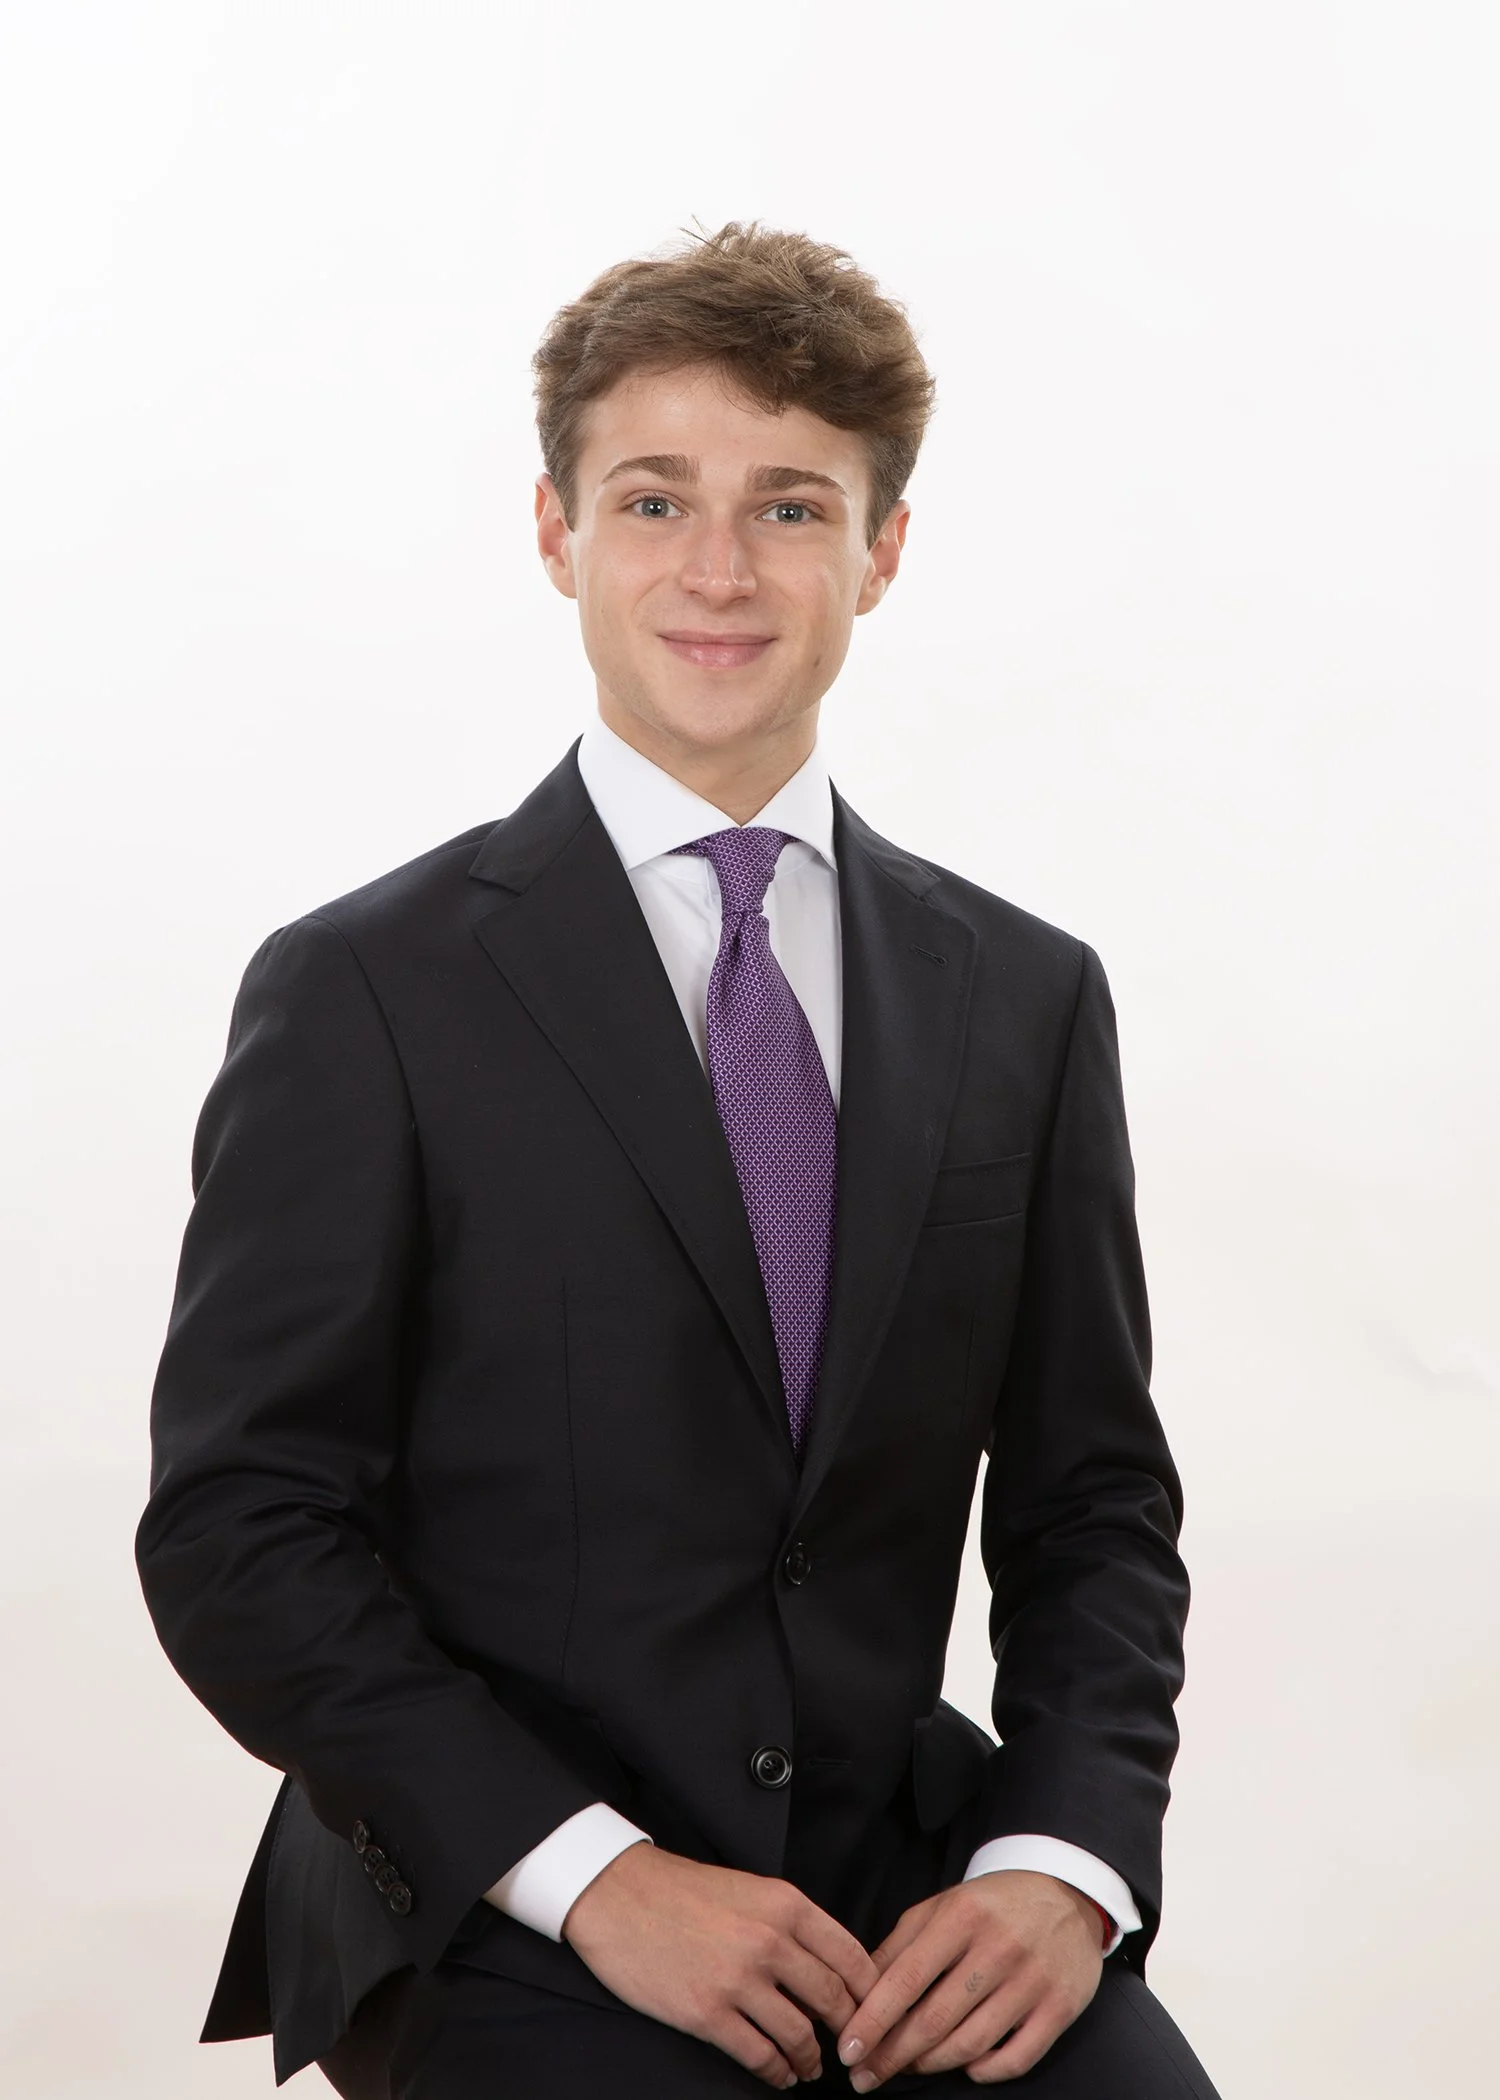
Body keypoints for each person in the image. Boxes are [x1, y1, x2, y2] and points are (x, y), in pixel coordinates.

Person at [136, 222, 1219, 2097]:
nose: (720, 570)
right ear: (556, 533)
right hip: (505, 1883)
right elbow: (242, 1531)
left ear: (883, 552)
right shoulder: (364, 989)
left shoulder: (1026, 996)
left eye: (792, 508)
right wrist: (600, 1879)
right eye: (654, 501)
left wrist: (1061, 1863)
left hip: (896, 1873)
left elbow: (1094, 1507)